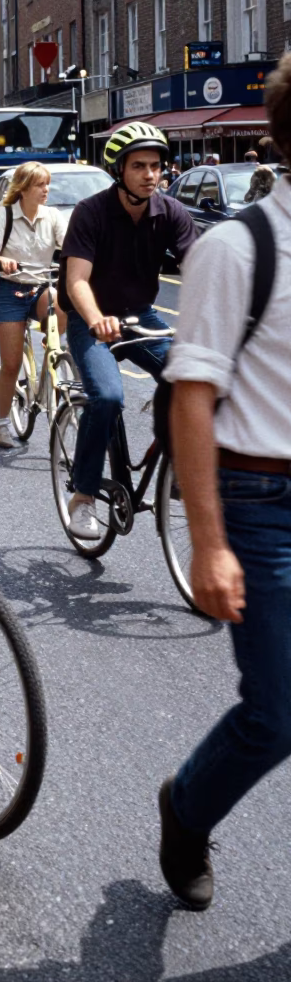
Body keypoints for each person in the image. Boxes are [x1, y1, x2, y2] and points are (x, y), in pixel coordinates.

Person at [156, 53, 291, 912]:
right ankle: (188, 805)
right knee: (278, 715)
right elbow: (192, 399)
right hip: (261, 504)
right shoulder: (239, 247)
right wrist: (207, 543)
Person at [58, 122, 197, 539]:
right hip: (92, 319)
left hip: (140, 316)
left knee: (189, 377)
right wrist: (97, 318)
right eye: (139, 166)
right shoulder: (91, 212)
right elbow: (76, 280)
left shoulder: (171, 212)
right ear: (119, 170)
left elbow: (199, 270)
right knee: (108, 396)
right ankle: (82, 497)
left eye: (156, 166)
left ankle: (175, 466)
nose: (150, 175)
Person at [0, 162, 68, 449]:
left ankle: (50, 344)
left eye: (47, 183)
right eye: (40, 184)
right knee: (11, 363)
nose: (46, 190)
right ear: (24, 188)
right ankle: (3, 426)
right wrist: (1, 261)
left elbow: (70, 246)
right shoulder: (3, 216)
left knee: (62, 301)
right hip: (9, 290)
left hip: (40, 286)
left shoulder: (53, 216)